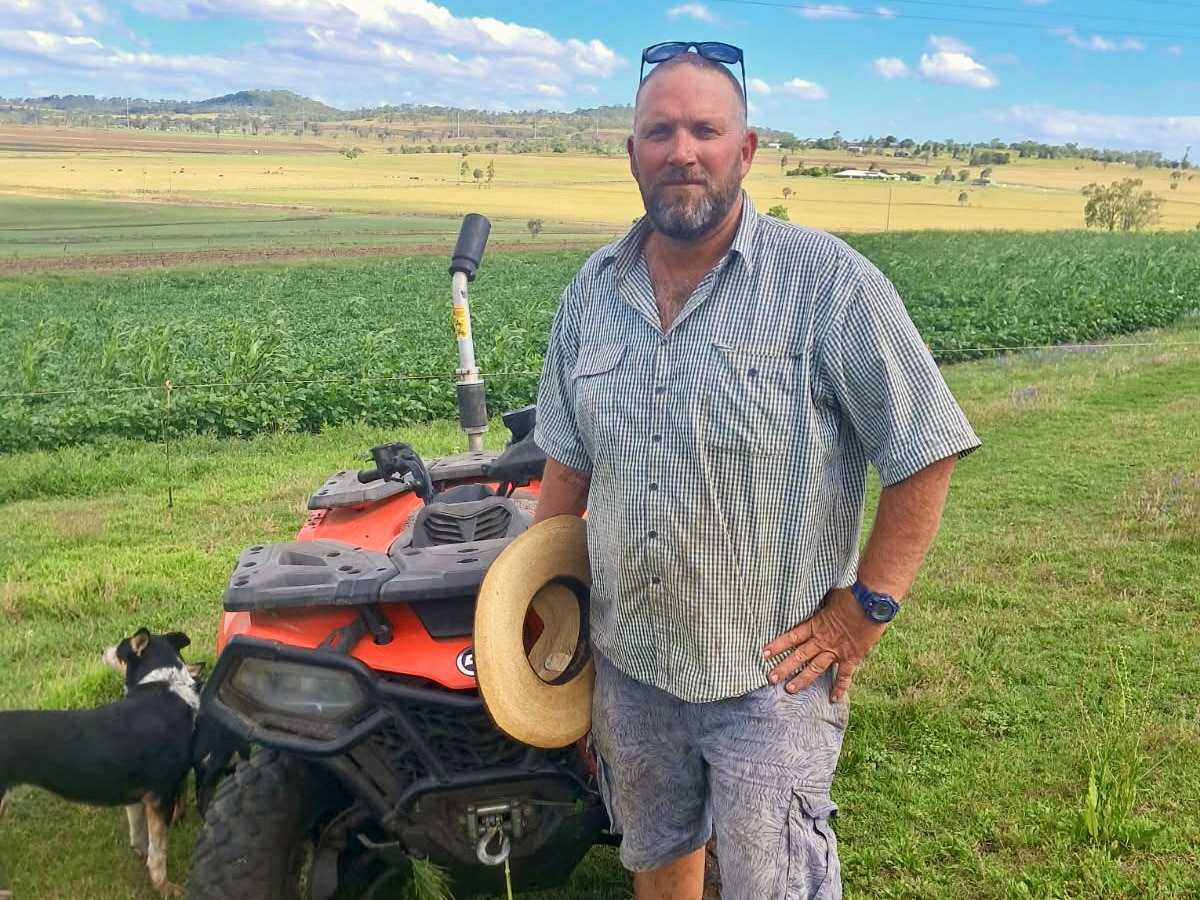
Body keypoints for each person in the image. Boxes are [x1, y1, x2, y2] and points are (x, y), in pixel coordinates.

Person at [532, 40, 980, 900]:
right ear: (631, 155)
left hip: (769, 679)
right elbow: (565, 469)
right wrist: (539, 612)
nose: (682, 151)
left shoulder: (829, 285)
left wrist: (867, 608)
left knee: (776, 885)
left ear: (746, 151)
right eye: (659, 131)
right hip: (630, 667)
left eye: (706, 129)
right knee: (656, 856)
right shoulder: (590, 293)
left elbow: (925, 446)